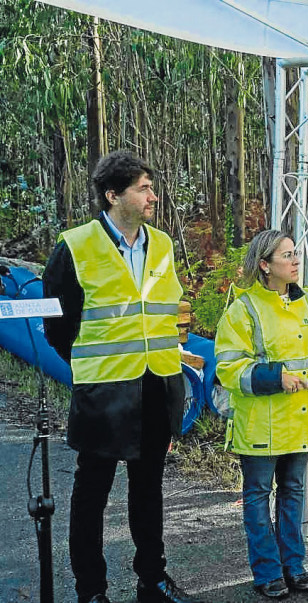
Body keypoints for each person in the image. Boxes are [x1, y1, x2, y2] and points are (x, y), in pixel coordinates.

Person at [43, 151, 203, 603]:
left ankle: (152, 580)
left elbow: (164, 312)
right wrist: (95, 369)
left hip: (157, 385)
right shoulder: (75, 246)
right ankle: (91, 591)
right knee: (91, 495)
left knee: (148, 490)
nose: (153, 195)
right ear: (114, 196)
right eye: (143, 188)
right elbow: (60, 326)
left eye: (151, 186)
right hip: (105, 391)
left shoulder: (164, 244)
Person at [214, 229, 308, 599]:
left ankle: (294, 566)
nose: (296, 260)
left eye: (295, 253)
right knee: (258, 495)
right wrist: (276, 378)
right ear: (265, 265)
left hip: (300, 418)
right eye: (287, 256)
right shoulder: (244, 308)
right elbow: (229, 367)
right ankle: (267, 571)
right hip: (260, 422)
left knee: (294, 492)